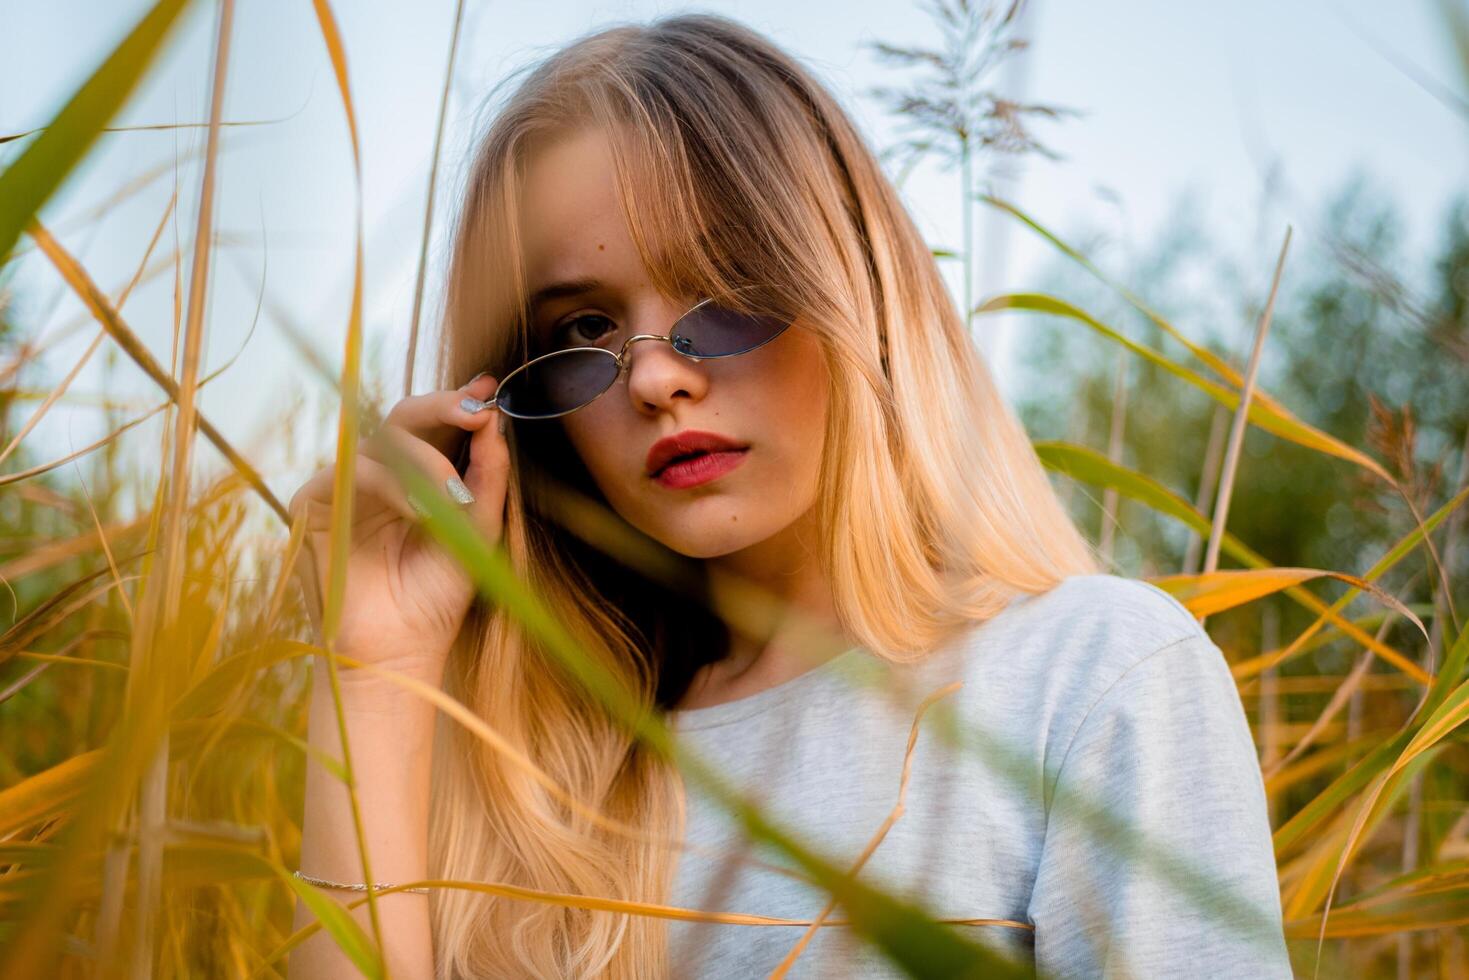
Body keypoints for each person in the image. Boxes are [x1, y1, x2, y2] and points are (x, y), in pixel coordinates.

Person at [286, 13, 1291, 979]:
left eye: (722, 290)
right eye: (584, 329)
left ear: (857, 292)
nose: (651, 378)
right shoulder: (527, 770)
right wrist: (371, 674)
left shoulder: (1087, 674)